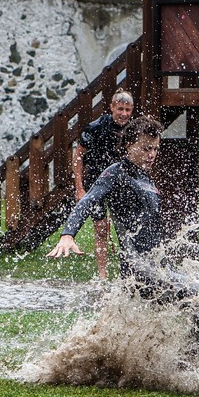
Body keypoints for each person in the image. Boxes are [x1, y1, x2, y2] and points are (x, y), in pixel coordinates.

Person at [49, 115, 199, 395]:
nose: (152, 154)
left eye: (156, 149)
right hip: (139, 271)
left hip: (157, 267)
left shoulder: (144, 177)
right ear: (128, 145)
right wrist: (68, 234)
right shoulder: (115, 172)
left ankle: (193, 368)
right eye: (146, 148)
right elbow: (87, 201)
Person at [72, 90, 134, 279]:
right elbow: (78, 156)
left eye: (128, 110)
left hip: (121, 184)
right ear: (112, 107)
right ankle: (102, 275)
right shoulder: (95, 127)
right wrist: (80, 188)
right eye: (120, 109)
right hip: (96, 183)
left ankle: (129, 272)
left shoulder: (133, 129)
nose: (124, 114)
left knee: (127, 229)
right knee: (100, 228)